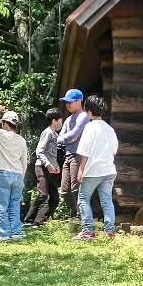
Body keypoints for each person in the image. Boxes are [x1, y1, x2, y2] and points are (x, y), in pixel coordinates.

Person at [74, 94, 119, 241]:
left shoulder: (90, 127)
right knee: (106, 200)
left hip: (93, 170)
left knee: (83, 198)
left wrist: (80, 170)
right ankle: (110, 231)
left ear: (88, 111)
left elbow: (85, 151)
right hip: (109, 170)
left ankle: (87, 230)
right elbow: (114, 150)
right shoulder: (109, 129)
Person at [0, 105, 29, 241]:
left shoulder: (1, 134)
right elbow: (24, 161)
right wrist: (22, 176)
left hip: (4, 174)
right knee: (15, 205)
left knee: (2, 205)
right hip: (18, 175)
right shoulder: (22, 140)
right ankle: (16, 232)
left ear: (4, 123)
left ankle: (3, 233)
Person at [27, 109, 63, 227]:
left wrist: (56, 167)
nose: (61, 123)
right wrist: (48, 165)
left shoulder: (55, 135)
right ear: (54, 121)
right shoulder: (47, 132)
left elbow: (52, 154)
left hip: (51, 169)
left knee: (54, 198)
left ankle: (39, 222)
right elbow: (40, 151)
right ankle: (28, 220)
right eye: (60, 121)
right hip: (42, 167)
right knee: (43, 194)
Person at [57, 89, 89, 218]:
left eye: (70, 102)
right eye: (66, 102)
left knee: (76, 188)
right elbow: (62, 137)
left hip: (78, 156)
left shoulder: (84, 116)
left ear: (79, 101)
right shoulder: (68, 119)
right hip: (68, 156)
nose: (68, 105)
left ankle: (82, 217)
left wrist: (66, 139)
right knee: (65, 190)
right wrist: (67, 139)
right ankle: (76, 214)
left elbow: (74, 135)